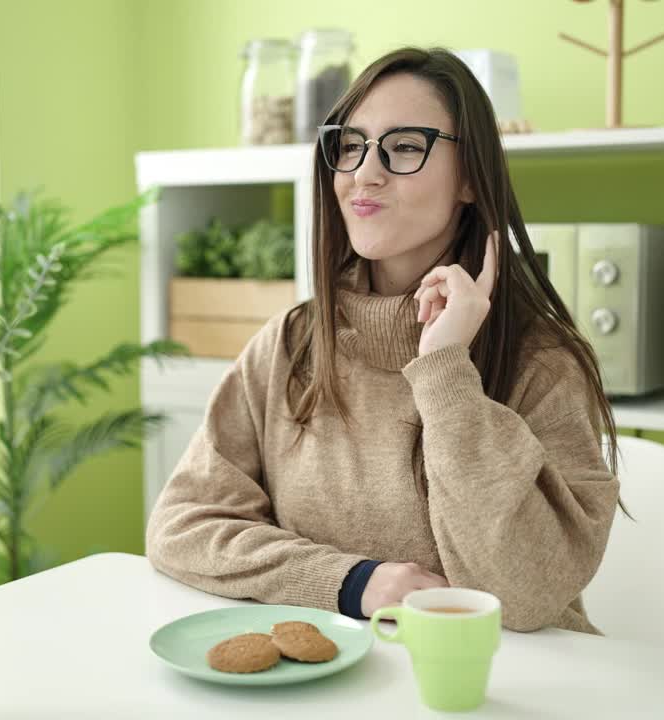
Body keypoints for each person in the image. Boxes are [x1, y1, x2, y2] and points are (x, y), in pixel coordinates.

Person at [146, 47, 620, 633]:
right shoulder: (292, 343)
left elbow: (523, 596)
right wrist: (354, 582)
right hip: (339, 686)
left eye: (403, 147)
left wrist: (446, 371)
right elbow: (182, 524)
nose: (364, 173)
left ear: (470, 177)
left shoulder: (541, 365)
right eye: (351, 145)